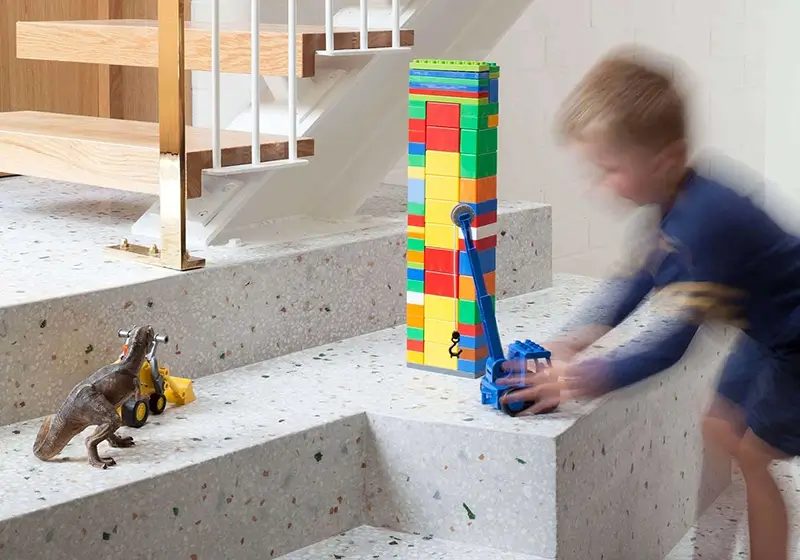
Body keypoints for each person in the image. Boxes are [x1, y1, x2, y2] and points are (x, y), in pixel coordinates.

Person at [500, 46, 800, 560]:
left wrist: (578, 379)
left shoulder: (707, 225)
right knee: (719, 424)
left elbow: (670, 346)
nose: (600, 185)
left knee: (754, 455)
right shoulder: (670, 203)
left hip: (795, 341)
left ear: (667, 159)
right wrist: (575, 337)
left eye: (610, 169)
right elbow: (636, 282)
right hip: (766, 329)